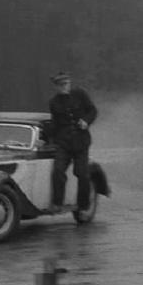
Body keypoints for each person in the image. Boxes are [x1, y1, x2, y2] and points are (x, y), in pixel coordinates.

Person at [48, 72, 98, 219]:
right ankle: (57, 203)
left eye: (66, 84)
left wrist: (86, 121)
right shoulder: (54, 102)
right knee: (57, 171)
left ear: (69, 83)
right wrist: (45, 137)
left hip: (81, 142)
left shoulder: (80, 94)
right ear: (56, 87)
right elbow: (55, 124)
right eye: (60, 85)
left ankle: (83, 206)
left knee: (82, 174)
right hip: (63, 143)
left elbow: (93, 111)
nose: (64, 87)